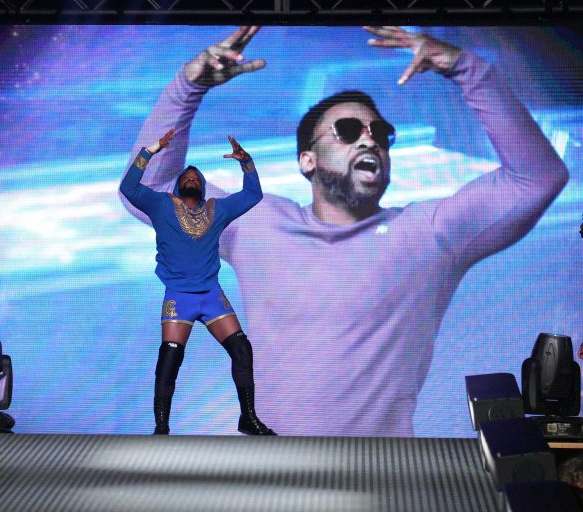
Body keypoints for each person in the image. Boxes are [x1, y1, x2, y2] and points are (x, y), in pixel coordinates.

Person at [120, 26, 569, 436]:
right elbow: (151, 189)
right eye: (348, 130)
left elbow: (537, 179)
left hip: (382, 473)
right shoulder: (257, 223)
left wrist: (469, 69)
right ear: (307, 161)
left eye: (380, 133)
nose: (369, 139)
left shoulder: (429, 234)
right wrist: (188, 87)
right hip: (268, 468)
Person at [119, 129, 275, 436]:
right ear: (178, 186)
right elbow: (128, 188)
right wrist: (150, 151)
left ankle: (248, 418)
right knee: (170, 357)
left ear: (202, 187)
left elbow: (252, 195)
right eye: (186, 177)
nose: (191, 178)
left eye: (196, 177)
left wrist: (246, 162)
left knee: (242, 349)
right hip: (180, 297)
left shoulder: (218, 209)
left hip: (211, 296)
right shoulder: (160, 204)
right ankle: (161, 426)